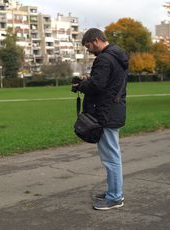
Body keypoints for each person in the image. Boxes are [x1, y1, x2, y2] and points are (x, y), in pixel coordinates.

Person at [72, 28, 129, 210]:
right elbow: (104, 83)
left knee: (111, 157)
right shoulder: (117, 56)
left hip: (106, 114)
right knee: (112, 155)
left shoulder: (104, 58)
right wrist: (89, 80)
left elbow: (97, 86)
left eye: (88, 45)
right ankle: (114, 191)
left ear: (96, 40)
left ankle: (115, 197)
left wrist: (81, 84)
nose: (88, 50)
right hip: (113, 110)